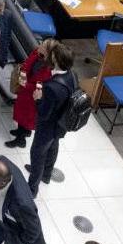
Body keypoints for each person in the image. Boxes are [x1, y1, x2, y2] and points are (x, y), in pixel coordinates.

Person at [26, 42, 76, 196]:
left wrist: (38, 99)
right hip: (61, 124)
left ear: (56, 60)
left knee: (37, 154)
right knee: (53, 146)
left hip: (48, 127)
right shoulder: (72, 75)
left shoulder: (52, 87)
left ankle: (32, 189)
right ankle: (46, 174)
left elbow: (43, 113)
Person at [8, 39, 55, 149]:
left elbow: (39, 86)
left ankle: (20, 140)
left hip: (31, 97)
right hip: (23, 91)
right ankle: (20, 130)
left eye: (43, 45)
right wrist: (22, 75)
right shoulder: (36, 53)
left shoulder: (48, 69)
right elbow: (27, 63)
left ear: (48, 52)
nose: (40, 45)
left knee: (26, 118)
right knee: (20, 113)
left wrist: (24, 84)